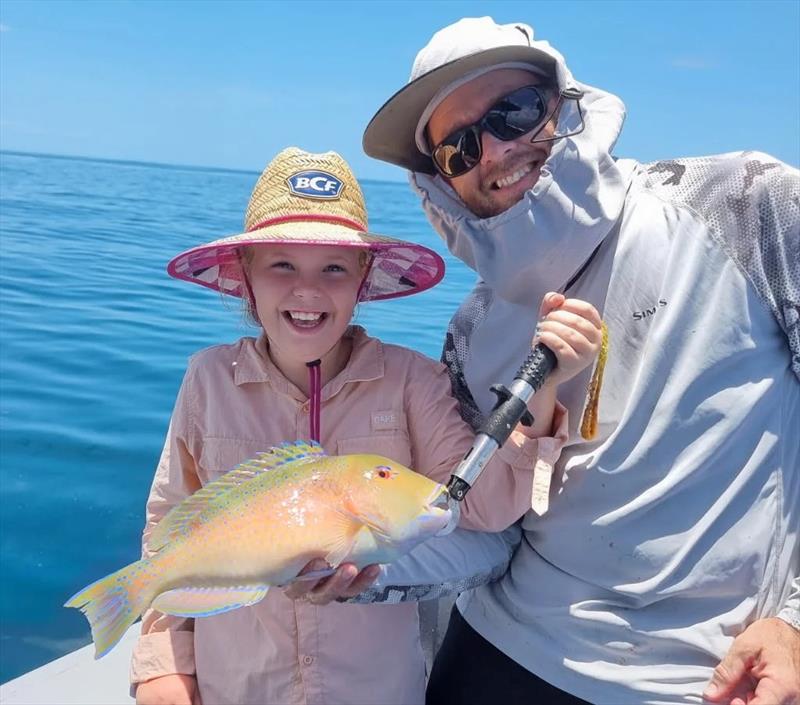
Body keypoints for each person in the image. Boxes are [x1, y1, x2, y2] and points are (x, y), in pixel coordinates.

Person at [361, 16, 800, 705]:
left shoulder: (746, 204)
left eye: (514, 111)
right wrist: (361, 564)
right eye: (459, 148)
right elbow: (492, 532)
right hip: (499, 645)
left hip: (709, 676)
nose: (494, 151)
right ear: (441, 183)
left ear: (563, 103)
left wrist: (797, 623)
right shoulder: (470, 335)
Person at [130, 146, 603, 705]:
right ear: (246, 276)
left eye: (334, 268)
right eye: (282, 264)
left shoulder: (411, 381)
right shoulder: (207, 380)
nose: (307, 290)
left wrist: (545, 387)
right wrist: (164, 668)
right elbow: (174, 527)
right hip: (237, 683)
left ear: (362, 281)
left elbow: (483, 506)